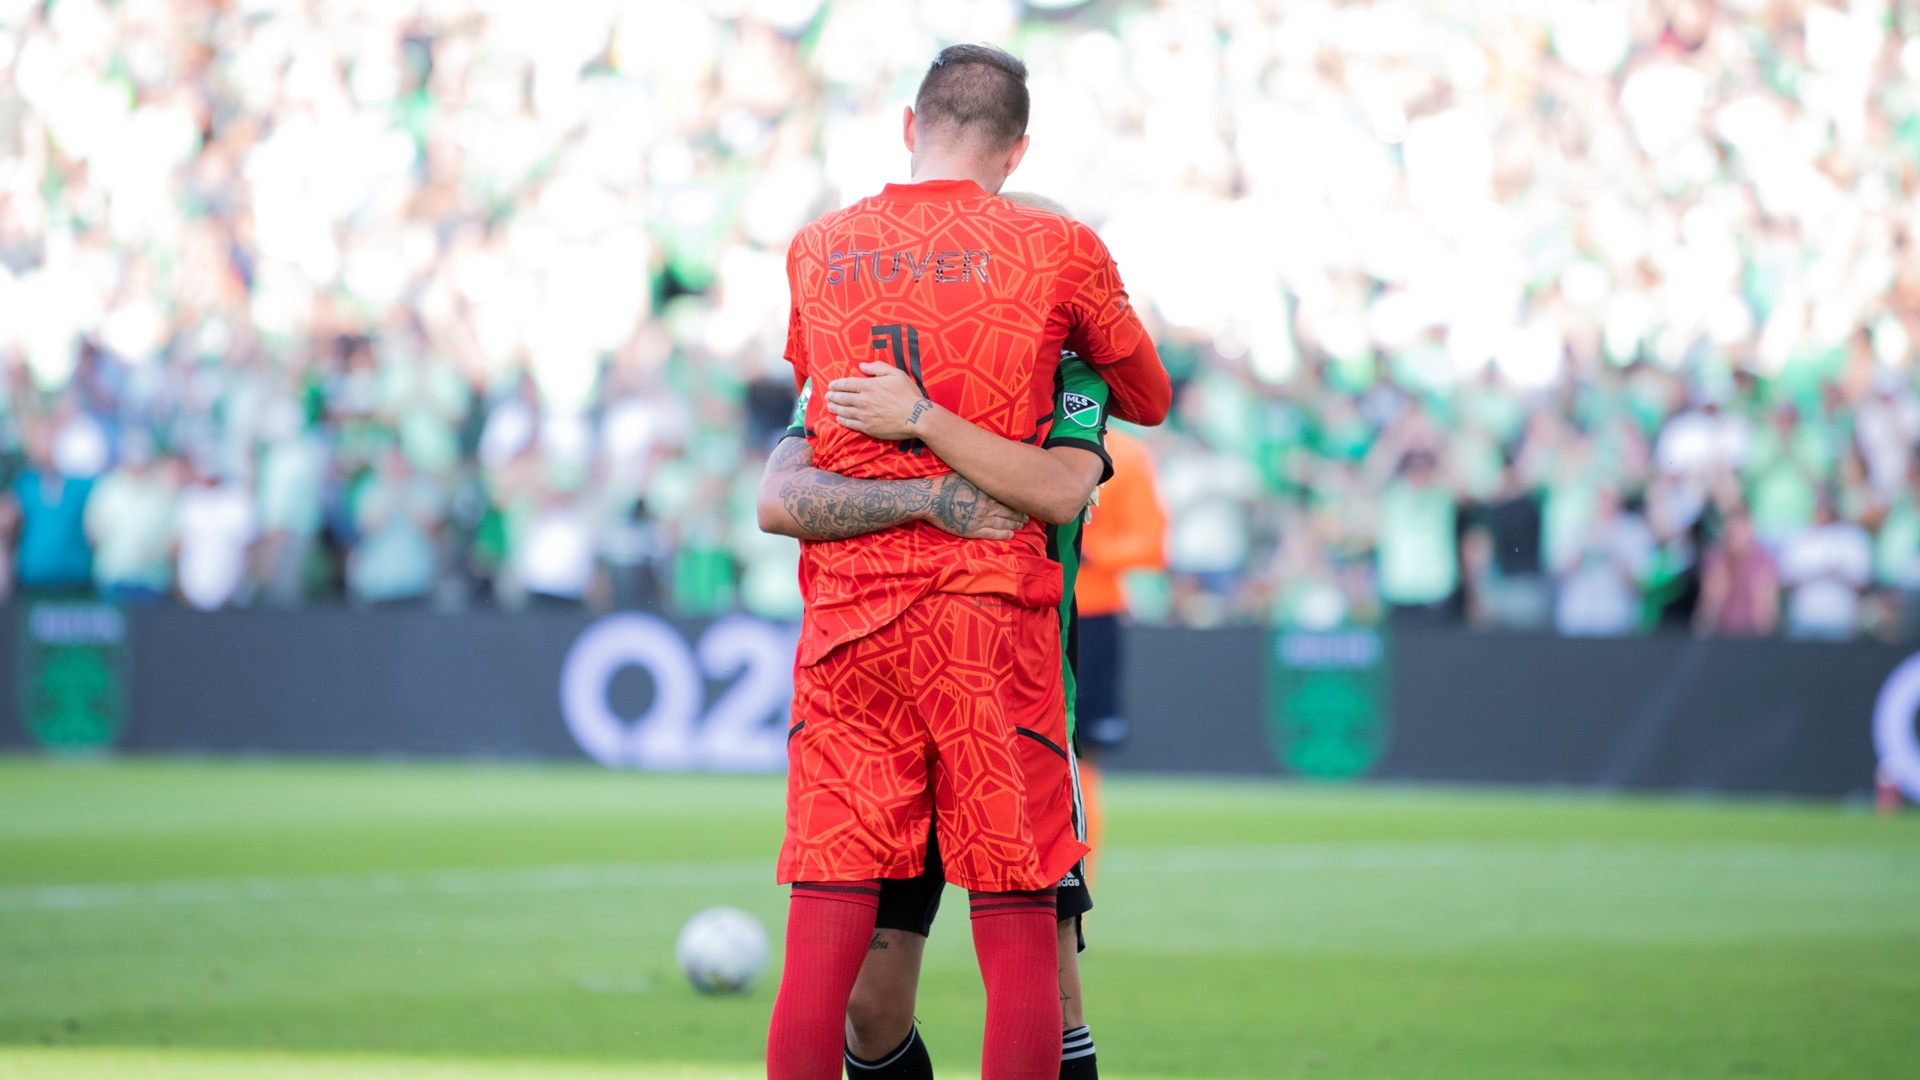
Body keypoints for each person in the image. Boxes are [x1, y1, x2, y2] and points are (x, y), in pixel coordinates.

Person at [762, 46, 1169, 1080]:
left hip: (850, 633)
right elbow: (1151, 395)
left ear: (911, 124)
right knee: (1018, 925)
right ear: (1019, 147)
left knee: (821, 939)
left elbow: (810, 430)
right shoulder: (1056, 248)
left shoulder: (818, 250)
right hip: (990, 628)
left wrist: (914, 420)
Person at [1070, 429, 1165, 885]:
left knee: (1080, 757)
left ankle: (1076, 884)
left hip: (1090, 616)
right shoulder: (1020, 434)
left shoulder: (1126, 454)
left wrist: (1089, 552)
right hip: (1023, 607)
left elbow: (1150, 543)